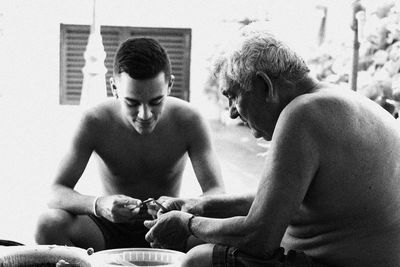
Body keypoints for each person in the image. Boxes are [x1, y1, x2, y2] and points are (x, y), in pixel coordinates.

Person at [143, 24, 400, 267]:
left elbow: (259, 238)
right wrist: (197, 206)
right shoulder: (333, 100)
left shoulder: (303, 113)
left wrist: (187, 223)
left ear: (265, 86)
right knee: (198, 238)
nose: (232, 112)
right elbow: (278, 201)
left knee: (197, 259)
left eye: (232, 96)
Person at [34, 37, 224, 251]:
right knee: (48, 224)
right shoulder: (95, 120)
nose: (145, 114)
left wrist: (182, 208)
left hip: (169, 227)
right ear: (114, 88)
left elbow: (216, 192)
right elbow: (55, 191)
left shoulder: (189, 119)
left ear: (170, 85)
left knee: (229, 227)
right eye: (132, 103)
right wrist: (99, 205)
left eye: (156, 101)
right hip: (109, 228)